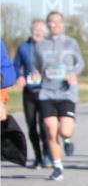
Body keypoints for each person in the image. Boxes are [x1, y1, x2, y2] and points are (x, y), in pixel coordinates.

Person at [32, 11, 85, 182]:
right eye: (52, 22)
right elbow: (36, 66)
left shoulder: (71, 43)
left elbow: (80, 63)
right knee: (51, 129)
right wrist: (35, 73)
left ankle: (67, 139)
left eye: (59, 21)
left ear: (63, 24)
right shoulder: (40, 46)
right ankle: (57, 167)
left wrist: (73, 73)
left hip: (66, 92)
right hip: (47, 92)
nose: (56, 24)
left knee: (65, 131)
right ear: (48, 24)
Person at [13, 20, 51, 168]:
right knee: (31, 125)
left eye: (41, 29)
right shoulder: (23, 47)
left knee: (44, 125)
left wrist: (44, 74)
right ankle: (38, 156)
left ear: (45, 31)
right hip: (29, 92)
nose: (38, 31)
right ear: (31, 30)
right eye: (35, 29)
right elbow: (16, 66)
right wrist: (19, 76)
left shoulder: (50, 47)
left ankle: (47, 154)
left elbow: (57, 66)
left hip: (45, 91)